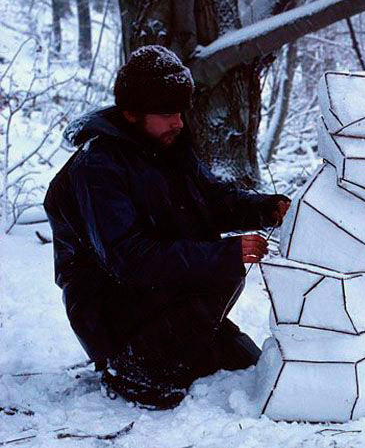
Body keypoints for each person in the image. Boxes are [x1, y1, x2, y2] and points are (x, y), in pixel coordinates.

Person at [44, 45, 290, 409]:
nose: (178, 122)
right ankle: (135, 367)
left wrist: (268, 209)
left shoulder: (166, 145)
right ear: (131, 114)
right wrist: (226, 254)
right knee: (222, 269)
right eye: (166, 114)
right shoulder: (97, 168)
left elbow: (212, 200)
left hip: (149, 294)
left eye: (179, 112)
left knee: (243, 348)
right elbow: (129, 258)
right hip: (108, 310)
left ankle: (195, 338)